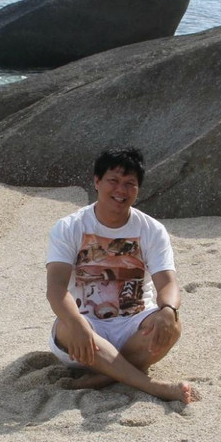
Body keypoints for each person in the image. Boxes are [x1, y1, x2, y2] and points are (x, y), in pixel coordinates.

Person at [46, 147, 198, 404]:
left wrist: (168, 310)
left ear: (138, 189)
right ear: (96, 181)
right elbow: (56, 290)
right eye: (113, 181)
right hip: (86, 329)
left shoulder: (151, 229)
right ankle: (153, 386)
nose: (121, 190)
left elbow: (168, 283)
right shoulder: (69, 227)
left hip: (134, 326)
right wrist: (78, 323)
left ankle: (105, 377)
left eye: (130, 184)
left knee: (173, 325)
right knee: (66, 326)